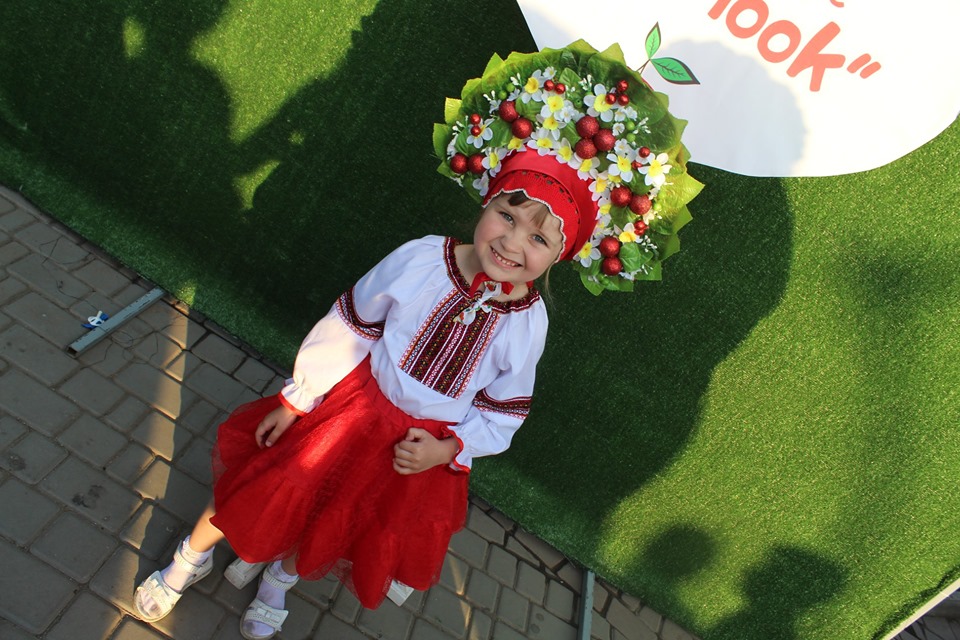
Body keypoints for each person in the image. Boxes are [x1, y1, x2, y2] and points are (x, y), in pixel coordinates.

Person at [133, 42, 699, 640]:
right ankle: (191, 557)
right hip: (348, 409)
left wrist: (448, 449)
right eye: (507, 216)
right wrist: (298, 399)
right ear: (487, 198)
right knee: (273, 483)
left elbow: (502, 409)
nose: (512, 243)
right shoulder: (423, 259)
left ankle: (280, 575)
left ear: (563, 254)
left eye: (539, 239)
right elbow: (352, 324)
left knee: (340, 516)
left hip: (410, 448)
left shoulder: (528, 322)